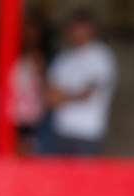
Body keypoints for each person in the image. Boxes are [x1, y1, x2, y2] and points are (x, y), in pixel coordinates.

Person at [44, 8, 116, 155]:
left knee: (86, 177)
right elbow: (50, 98)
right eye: (73, 28)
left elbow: (86, 94)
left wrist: (62, 96)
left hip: (88, 132)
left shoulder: (101, 57)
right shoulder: (63, 59)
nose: (76, 32)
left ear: (91, 30)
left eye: (81, 28)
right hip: (61, 130)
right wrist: (72, 95)